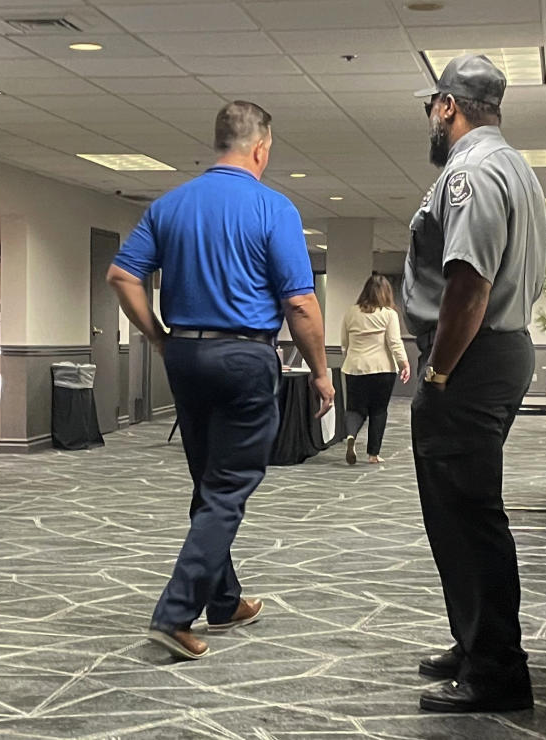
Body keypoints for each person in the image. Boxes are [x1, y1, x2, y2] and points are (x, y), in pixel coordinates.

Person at [107, 101, 335, 660]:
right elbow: (300, 304)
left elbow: (121, 274)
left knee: (211, 481)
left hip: (184, 354)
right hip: (244, 358)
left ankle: (224, 599)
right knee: (228, 489)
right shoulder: (272, 207)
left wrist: (159, 336)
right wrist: (323, 373)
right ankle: (174, 612)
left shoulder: (170, 205)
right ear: (261, 147)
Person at [404, 54, 546, 712]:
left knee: (468, 517)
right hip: (497, 353)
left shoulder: (472, 171)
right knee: (458, 513)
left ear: (447, 107)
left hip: (470, 359)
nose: (431, 120)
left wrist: (437, 370)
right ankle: (475, 640)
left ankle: (496, 669)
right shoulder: (513, 165)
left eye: (431, 108)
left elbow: (469, 284)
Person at [340, 273, 411, 465]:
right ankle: (373, 454)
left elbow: (344, 342)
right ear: (387, 293)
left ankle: (350, 436)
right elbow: (394, 342)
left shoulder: (351, 312)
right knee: (378, 411)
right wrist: (404, 363)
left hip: (354, 368)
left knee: (354, 408)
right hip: (382, 369)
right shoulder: (389, 314)